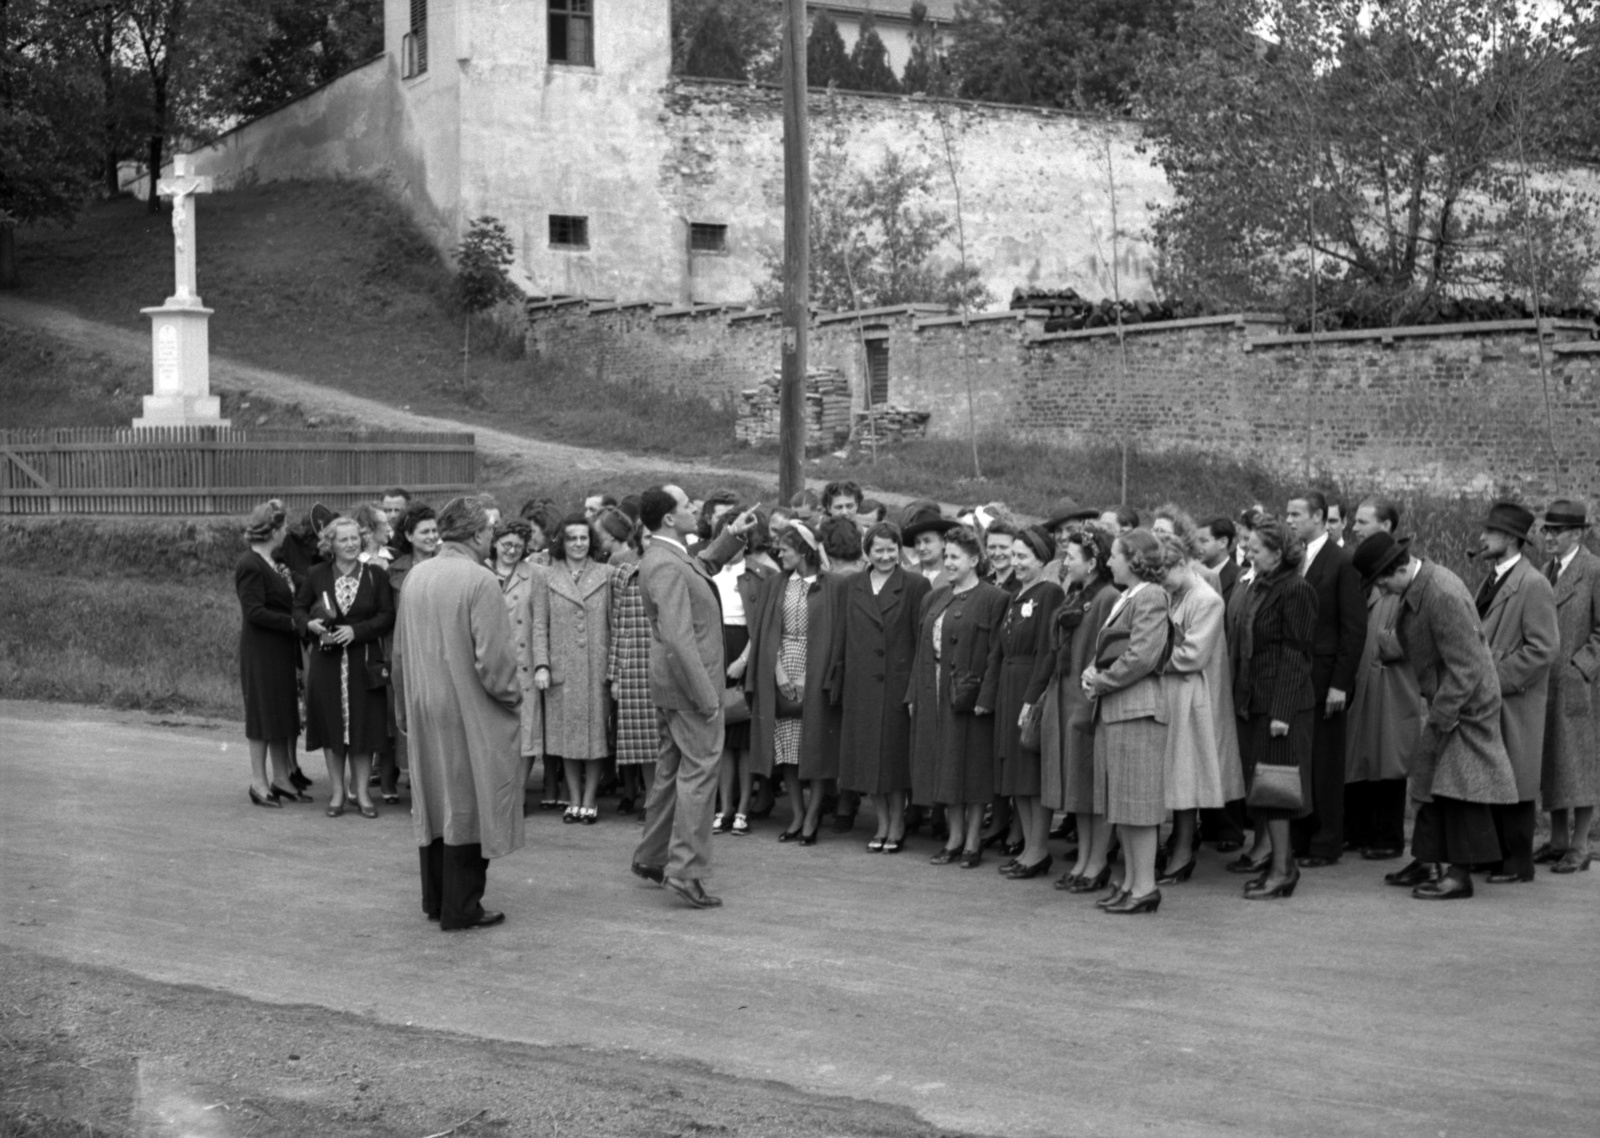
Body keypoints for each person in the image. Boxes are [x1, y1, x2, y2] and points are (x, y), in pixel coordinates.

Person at [1355, 532, 1520, 900]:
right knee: (1429, 778)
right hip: (1451, 697)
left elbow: (1469, 665)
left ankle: (1460, 876)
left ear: (1398, 569)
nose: (1379, 587)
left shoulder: (1441, 592)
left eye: (1381, 579)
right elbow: (1418, 638)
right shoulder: (1418, 586)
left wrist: (1444, 717)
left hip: (1467, 703)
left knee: (1459, 788)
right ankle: (1428, 860)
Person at [393, 496, 523, 930]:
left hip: (424, 701)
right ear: (474, 533)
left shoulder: (415, 575)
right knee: (470, 800)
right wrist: (511, 698)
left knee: (434, 799)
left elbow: (398, 653)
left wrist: (403, 705)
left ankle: (438, 899)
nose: (493, 536)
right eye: (490, 529)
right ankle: (463, 906)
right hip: (468, 707)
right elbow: (495, 662)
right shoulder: (480, 580)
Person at [630, 485, 752, 910]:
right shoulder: (664, 563)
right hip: (689, 688)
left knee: (672, 770)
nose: (694, 509)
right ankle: (684, 873)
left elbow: (699, 565)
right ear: (668, 518)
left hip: (673, 688)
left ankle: (652, 857)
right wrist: (707, 697)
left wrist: (731, 535)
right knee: (700, 775)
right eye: (686, 506)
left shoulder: (671, 555)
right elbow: (679, 639)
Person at [1080, 529, 1171, 914]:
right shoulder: (1129, 596)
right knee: (1123, 804)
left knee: (1138, 803)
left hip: (1136, 710)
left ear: (1134, 559)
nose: (1109, 561)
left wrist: (1100, 682)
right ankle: (1133, 881)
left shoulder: (1150, 595)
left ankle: (1144, 887)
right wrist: (1093, 673)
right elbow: (1112, 650)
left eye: (1115, 555)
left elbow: (1142, 656)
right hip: (1119, 711)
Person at [1229, 518, 1319, 901]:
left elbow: (1296, 655)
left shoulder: (1296, 590)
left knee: (1277, 787)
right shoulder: (1259, 585)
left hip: (1283, 706)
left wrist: (1281, 712)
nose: (1248, 553)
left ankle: (1283, 870)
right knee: (1263, 786)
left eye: (1255, 548)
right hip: (1255, 701)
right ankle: (1279, 864)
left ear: (1278, 553)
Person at [909, 526, 1008, 868]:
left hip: (969, 695)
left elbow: (997, 652)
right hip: (934, 690)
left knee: (972, 768)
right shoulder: (934, 598)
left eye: (955, 557)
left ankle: (973, 841)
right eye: (946, 556)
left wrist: (986, 696)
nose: (947, 563)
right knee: (945, 766)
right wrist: (914, 695)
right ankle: (953, 837)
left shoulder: (994, 598)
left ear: (974, 560)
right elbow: (920, 650)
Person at [832, 521, 932, 853]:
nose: (886, 556)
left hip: (896, 685)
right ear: (868, 551)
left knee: (892, 760)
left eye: (892, 549)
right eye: (879, 550)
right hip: (861, 685)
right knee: (867, 760)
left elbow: (922, 643)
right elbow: (843, 637)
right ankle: (881, 822)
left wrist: (916, 688)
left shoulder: (915, 585)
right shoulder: (852, 585)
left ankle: (898, 823)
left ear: (900, 551)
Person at [1473, 501, 1559, 885]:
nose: (1481, 538)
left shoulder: (1533, 584)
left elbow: (1543, 649)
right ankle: (1495, 857)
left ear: (1510, 538)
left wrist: (1497, 678)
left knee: (1516, 782)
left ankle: (1517, 862)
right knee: (1495, 778)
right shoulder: (1493, 578)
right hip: (1495, 700)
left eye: (1489, 533)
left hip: (1516, 701)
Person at [1154, 532, 1243, 885]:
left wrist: (1149, 660)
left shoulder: (1207, 599)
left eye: (1163, 572)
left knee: (1185, 776)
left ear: (1181, 564)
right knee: (1175, 775)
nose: (1159, 580)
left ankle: (1182, 853)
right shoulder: (1173, 592)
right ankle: (1176, 846)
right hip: (1172, 692)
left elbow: (1192, 654)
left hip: (1192, 697)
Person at [747, 523, 843, 844]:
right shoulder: (776, 583)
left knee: (813, 746)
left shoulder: (831, 586)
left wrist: (808, 676)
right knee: (787, 748)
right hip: (782, 663)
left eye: (785, 548)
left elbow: (835, 637)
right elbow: (764, 631)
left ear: (803, 550)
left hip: (815, 669)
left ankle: (813, 816)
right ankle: (797, 814)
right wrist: (779, 671)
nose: (779, 553)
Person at [295, 517, 396, 818]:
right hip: (326, 662)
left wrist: (358, 631)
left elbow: (387, 615)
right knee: (332, 726)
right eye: (343, 539)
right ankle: (338, 792)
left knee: (364, 727)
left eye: (355, 538)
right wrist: (308, 624)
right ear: (330, 544)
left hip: (365, 660)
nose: (351, 544)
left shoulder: (376, 575)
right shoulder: (316, 574)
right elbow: (298, 608)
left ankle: (363, 793)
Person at [1286, 490, 1366, 867]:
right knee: (1302, 761)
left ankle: (1326, 841)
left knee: (1326, 764)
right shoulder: (1294, 559)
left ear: (1318, 517)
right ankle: (1300, 837)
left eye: (1296, 514)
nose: (1289, 520)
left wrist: (1340, 683)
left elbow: (1353, 629)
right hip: (1297, 678)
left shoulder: (1341, 562)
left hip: (1325, 679)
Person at [1343, 498, 1423, 860]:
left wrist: (1385, 643)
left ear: (1387, 527)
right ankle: (1359, 831)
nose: (1354, 529)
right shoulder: (1363, 572)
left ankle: (1388, 836)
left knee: (1388, 759)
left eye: (1363, 522)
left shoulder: (1405, 576)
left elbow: (1416, 633)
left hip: (1392, 682)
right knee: (1360, 755)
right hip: (1367, 678)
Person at [992, 527, 1065, 878]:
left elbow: (1046, 651)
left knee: (1030, 775)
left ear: (1041, 559)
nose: (1015, 562)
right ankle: (1027, 848)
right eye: (1014, 555)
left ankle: (1038, 850)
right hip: (1009, 685)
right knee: (1014, 774)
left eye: (1023, 556)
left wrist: (1032, 697)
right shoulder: (1015, 594)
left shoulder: (1049, 593)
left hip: (1027, 687)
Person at [532, 512, 614, 824]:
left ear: (590, 541)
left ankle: (590, 800)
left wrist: (613, 669)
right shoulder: (545, 575)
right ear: (560, 542)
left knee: (594, 737)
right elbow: (540, 625)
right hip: (560, 668)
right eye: (571, 538)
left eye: (583, 538)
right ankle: (573, 798)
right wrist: (542, 664)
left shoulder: (606, 574)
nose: (578, 543)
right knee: (564, 737)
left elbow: (614, 624)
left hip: (596, 668)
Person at [709, 509, 774, 834]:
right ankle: (724, 806)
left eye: (737, 536)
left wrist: (743, 660)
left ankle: (744, 808)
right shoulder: (707, 572)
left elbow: (762, 625)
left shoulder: (758, 575)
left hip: (744, 654)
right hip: (714, 655)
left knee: (744, 739)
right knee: (720, 740)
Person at [236, 501, 303, 808]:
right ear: (274, 530)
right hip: (261, 649)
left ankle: (281, 778)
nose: (287, 532)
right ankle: (258, 782)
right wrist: (292, 623)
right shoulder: (250, 564)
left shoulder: (273, 561)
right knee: (263, 713)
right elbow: (254, 612)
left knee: (281, 711)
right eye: (284, 527)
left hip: (279, 648)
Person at [599, 508, 655, 815]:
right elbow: (618, 625)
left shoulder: (674, 570)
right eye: (647, 537)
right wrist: (616, 675)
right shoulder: (625, 573)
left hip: (669, 663)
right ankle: (650, 800)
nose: (652, 542)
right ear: (639, 540)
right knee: (645, 743)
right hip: (635, 667)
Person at [492, 520, 545, 808]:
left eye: (517, 546)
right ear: (495, 543)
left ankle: (518, 793)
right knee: (493, 730)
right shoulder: (481, 571)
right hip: (489, 660)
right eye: (506, 545)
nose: (511, 551)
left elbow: (539, 623)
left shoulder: (534, 574)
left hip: (523, 661)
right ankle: (496, 791)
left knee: (525, 731)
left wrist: (542, 665)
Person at [901, 500, 955, 587]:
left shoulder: (957, 575)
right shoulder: (904, 574)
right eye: (917, 542)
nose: (921, 548)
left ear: (944, 542)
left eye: (927, 541)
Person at [388, 505, 439, 594]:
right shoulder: (393, 571)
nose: (432, 536)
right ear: (409, 536)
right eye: (425, 532)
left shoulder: (447, 565)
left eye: (434, 531)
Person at [1195, 517, 1240, 603]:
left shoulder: (1239, 579)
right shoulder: (1193, 574)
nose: (1197, 547)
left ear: (1223, 542)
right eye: (1196, 541)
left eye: (1203, 541)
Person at [985, 520, 1020, 595]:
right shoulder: (981, 585)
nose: (997, 553)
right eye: (992, 547)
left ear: (1015, 548)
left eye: (1003, 547)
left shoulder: (1022, 587)